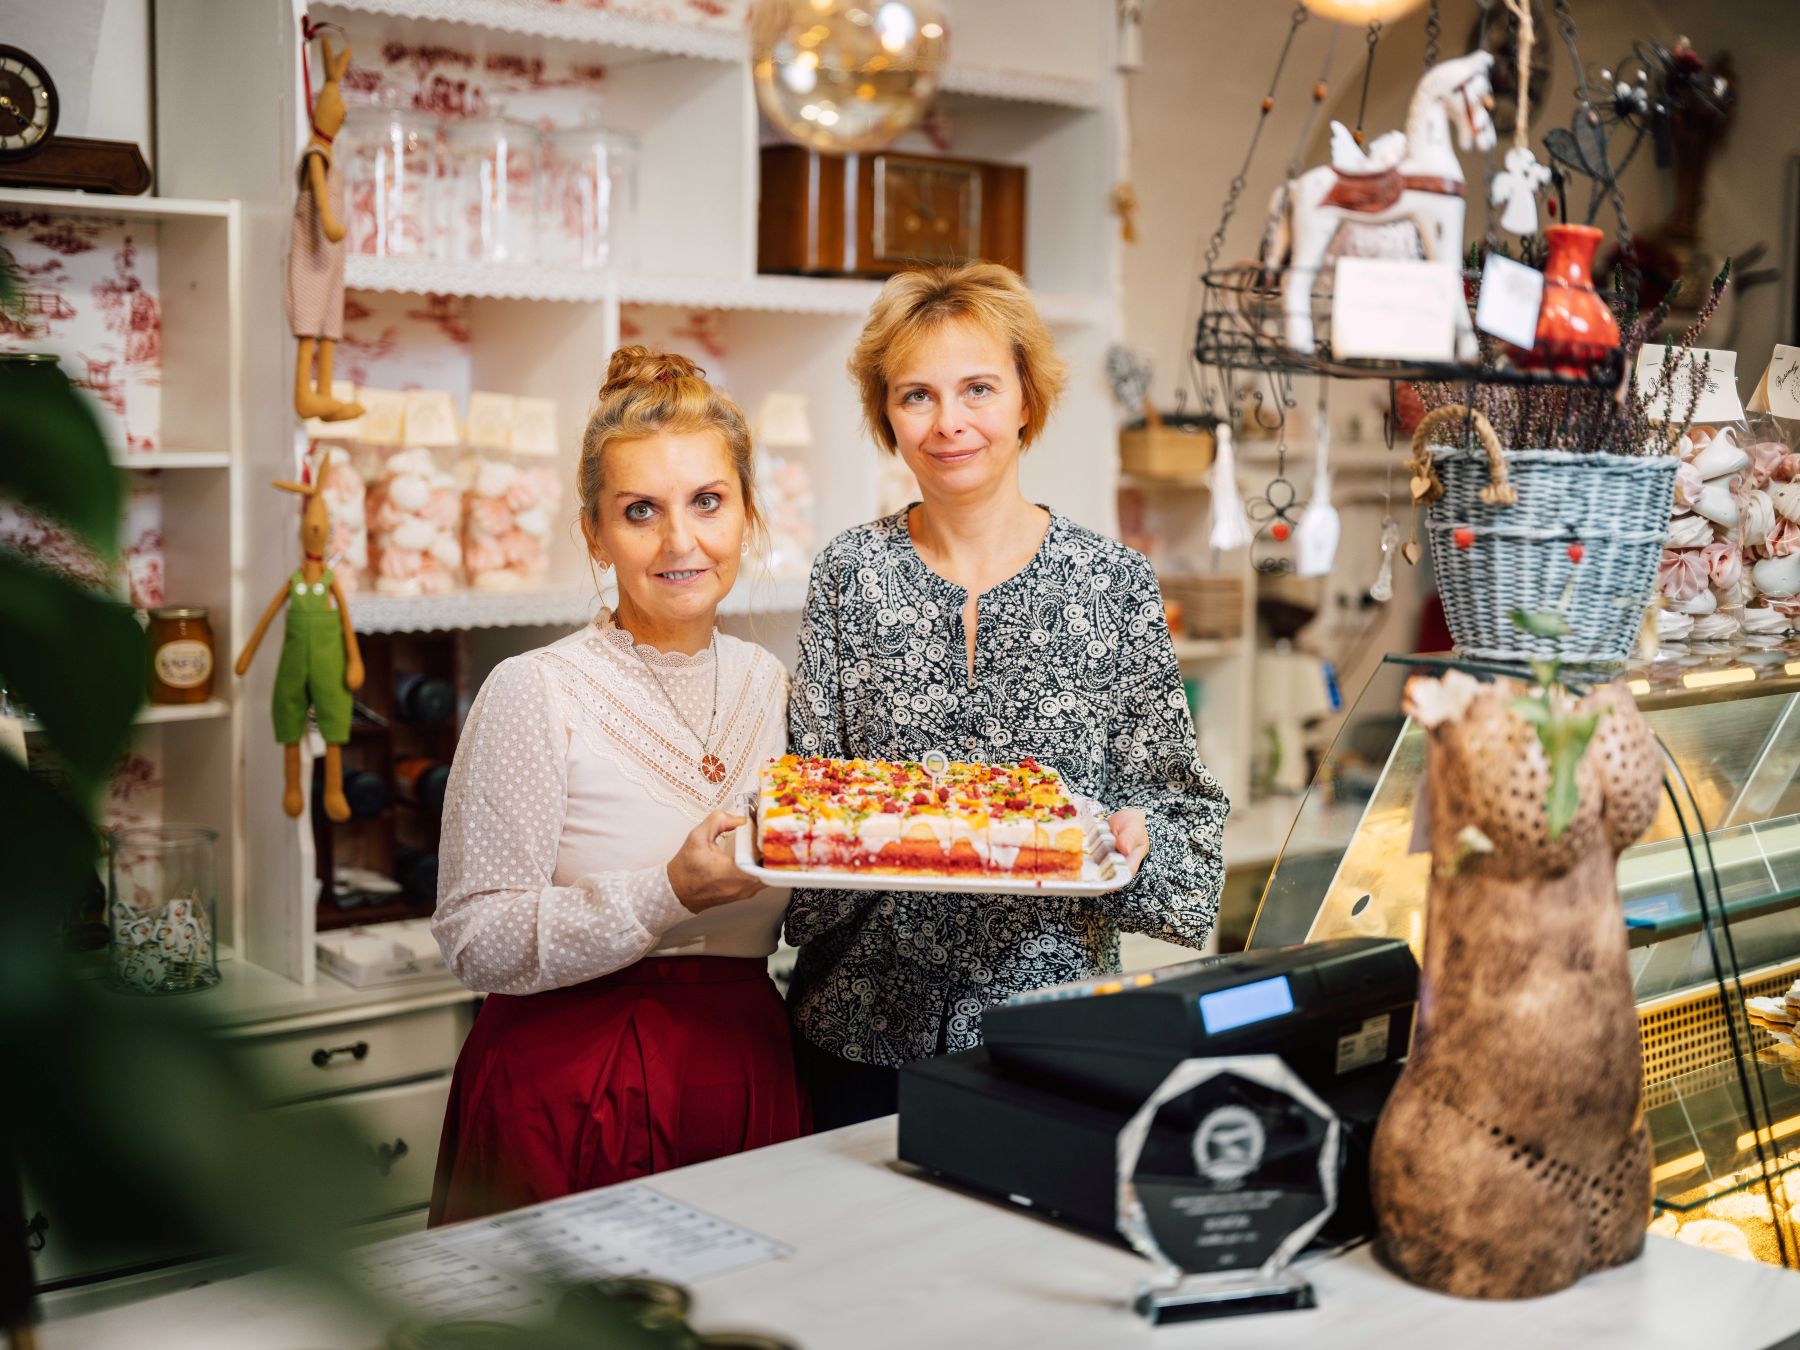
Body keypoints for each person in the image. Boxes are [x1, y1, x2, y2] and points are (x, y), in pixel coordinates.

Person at [786, 262, 1229, 1129]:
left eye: (978, 389)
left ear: (1027, 398)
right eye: (916, 395)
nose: (948, 422)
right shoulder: (849, 573)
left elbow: (1183, 813)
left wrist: (1139, 841)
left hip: (1050, 1029)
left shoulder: (1112, 583)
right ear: (887, 415)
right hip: (859, 1026)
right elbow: (809, 796)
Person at [429, 347, 805, 1224]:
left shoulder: (773, 687)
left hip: (744, 1071)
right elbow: (474, 938)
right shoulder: (537, 689)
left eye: (707, 501)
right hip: (564, 1089)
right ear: (595, 533)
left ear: (748, 513)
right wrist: (666, 892)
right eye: (641, 511)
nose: (681, 542)